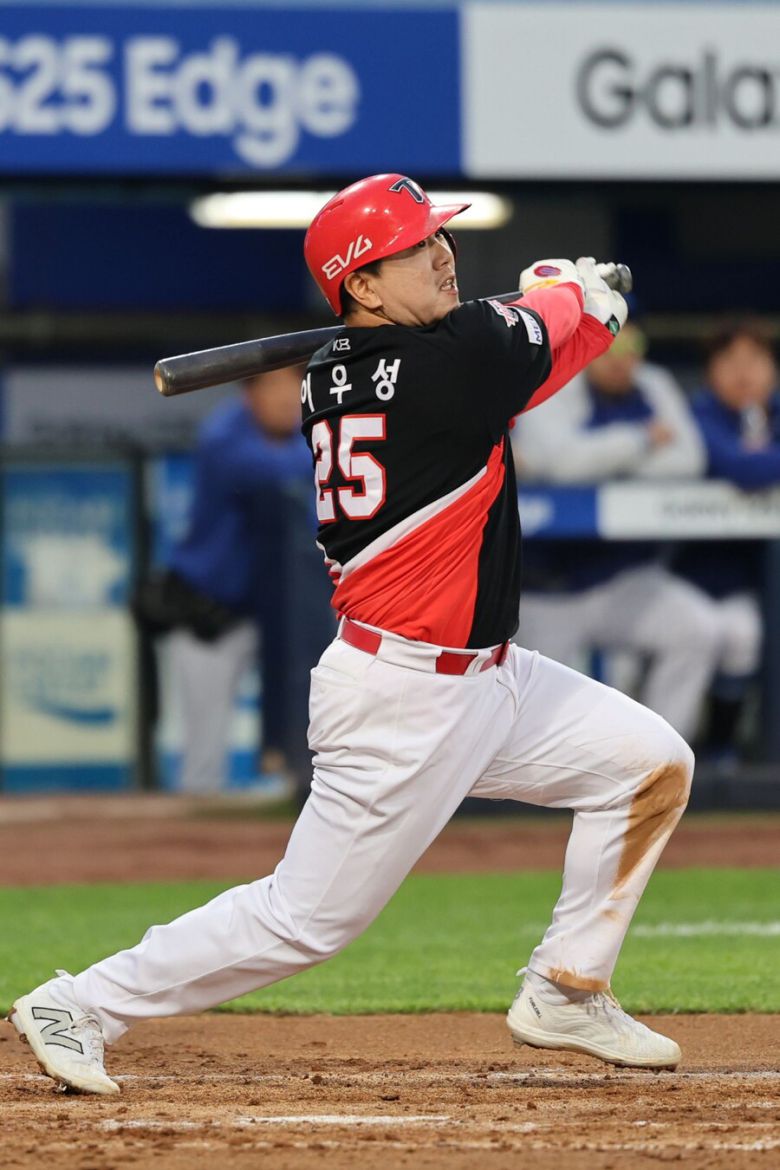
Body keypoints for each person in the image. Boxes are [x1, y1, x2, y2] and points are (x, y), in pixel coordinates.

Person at [8, 174, 693, 1095]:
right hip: (404, 697)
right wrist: (580, 295)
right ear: (361, 285)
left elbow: (524, 355)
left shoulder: (344, 375)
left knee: (647, 763)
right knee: (305, 921)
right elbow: (543, 337)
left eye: (439, 238)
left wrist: (569, 310)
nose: (443, 254)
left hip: (494, 678)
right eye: (416, 247)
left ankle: (569, 986)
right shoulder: (452, 360)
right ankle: (80, 1002)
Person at [512, 325, 721, 742]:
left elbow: (689, 460)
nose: (619, 357)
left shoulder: (652, 384)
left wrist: (603, 464)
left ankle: (660, 757)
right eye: (608, 343)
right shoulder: (550, 376)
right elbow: (561, 464)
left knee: (697, 629)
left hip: (622, 579)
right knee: (535, 721)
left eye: (629, 345)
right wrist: (641, 440)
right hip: (545, 589)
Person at [136, 366, 313, 793]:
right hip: (209, 613)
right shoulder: (224, 436)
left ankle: (293, 806)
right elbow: (279, 471)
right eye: (273, 386)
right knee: (204, 752)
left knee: (304, 729)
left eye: (293, 387)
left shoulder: (304, 435)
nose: (285, 399)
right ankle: (196, 828)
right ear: (249, 393)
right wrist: (329, 445)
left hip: (277, 617)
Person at [674, 323, 780, 760]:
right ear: (710, 371)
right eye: (730, 361)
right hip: (686, 573)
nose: (744, 372)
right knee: (702, 634)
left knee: (743, 635)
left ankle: (722, 750)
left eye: (755, 360)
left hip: (750, 582)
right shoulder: (697, 413)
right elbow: (740, 468)